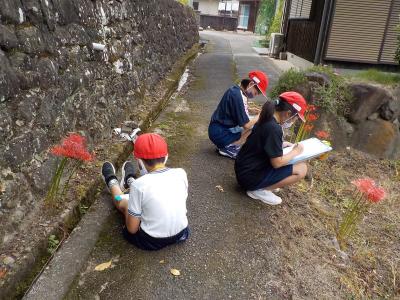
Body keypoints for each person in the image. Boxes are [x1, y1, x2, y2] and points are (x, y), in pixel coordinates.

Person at [101, 133, 190, 250]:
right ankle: (129, 180)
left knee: (125, 202)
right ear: (166, 156)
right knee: (146, 197)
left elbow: (132, 229)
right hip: (181, 233)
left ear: (139, 162)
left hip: (150, 240)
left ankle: (112, 182)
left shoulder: (139, 186)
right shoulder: (181, 173)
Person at [234, 91, 308, 205]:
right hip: (249, 177)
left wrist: (281, 144)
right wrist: (295, 152)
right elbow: (277, 163)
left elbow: (260, 141)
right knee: (302, 169)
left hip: (244, 169)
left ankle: (263, 185)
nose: (294, 121)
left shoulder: (266, 117)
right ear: (288, 113)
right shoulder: (274, 128)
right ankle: (260, 190)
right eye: (296, 118)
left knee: (289, 159)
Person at [208, 70, 269, 159]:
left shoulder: (235, 89)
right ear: (251, 84)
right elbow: (246, 125)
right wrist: (260, 115)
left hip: (216, 129)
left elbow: (234, 108)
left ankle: (226, 144)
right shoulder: (239, 97)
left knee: (252, 120)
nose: (255, 95)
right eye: (256, 93)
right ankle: (229, 147)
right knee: (256, 125)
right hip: (220, 133)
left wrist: (250, 109)